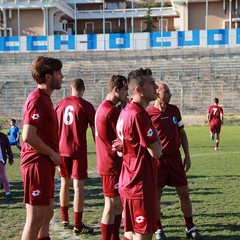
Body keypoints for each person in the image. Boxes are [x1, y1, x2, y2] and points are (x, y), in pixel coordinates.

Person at [147, 83, 203, 240]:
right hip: (158, 160)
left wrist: (188, 155)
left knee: (184, 193)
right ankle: (158, 229)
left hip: (175, 159)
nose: (171, 94)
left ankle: (190, 227)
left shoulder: (174, 110)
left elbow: (182, 133)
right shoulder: (148, 114)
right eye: (167, 91)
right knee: (156, 196)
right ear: (157, 93)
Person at [115, 68, 162, 240]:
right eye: (151, 83)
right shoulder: (138, 114)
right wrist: (154, 131)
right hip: (140, 185)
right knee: (143, 235)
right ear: (139, 90)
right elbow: (157, 152)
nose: (156, 86)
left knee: (130, 232)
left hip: (128, 182)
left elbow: (122, 150)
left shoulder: (125, 111)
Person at [20, 56, 63, 240]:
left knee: (47, 215)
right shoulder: (37, 99)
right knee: (36, 217)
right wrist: (52, 152)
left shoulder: (45, 99)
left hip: (44, 164)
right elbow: (28, 135)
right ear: (47, 77)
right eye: (58, 73)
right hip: (35, 164)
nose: (62, 76)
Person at [55, 78, 95, 235]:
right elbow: (95, 130)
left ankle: (64, 219)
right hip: (78, 152)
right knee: (78, 187)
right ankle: (78, 224)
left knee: (64, 183)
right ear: (83, 89)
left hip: (61, 150)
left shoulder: (59, 104)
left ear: (70, 89)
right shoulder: (86, 106)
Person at [95, 75, 128, 240]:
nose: (126, 94)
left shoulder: (103, 107)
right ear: (116, 90)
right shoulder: (111, 111)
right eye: (125, 90)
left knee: (116, 205)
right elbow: (124, 136)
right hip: (112, 163)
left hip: (106, 162)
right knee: (111, 205)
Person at [0, 124, 14, 200]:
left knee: (3, 176)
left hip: (1, 160)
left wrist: (11, 158)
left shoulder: (3, 136)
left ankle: (8, 193)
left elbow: (8, 148)